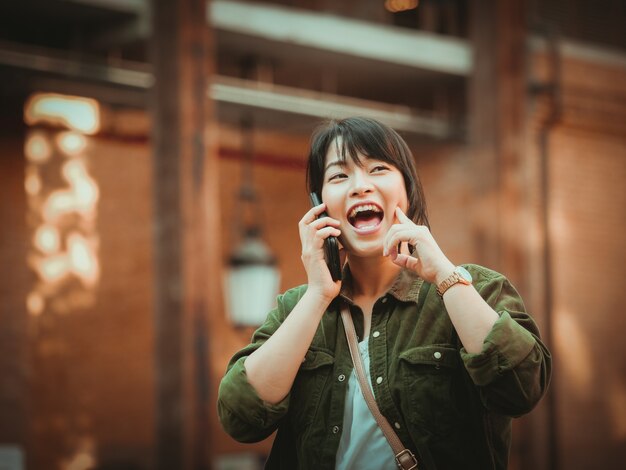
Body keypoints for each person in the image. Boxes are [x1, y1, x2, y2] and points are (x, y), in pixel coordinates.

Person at [217, 117, 552, 470]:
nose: (360, 186)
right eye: (338, 176)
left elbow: (522, 388)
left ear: (408, 191)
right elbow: (241, 417)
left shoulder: (477, 289)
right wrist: (318, 295)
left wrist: (444, 275)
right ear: (320, 206)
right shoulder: (295, 307)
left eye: (377, 168)